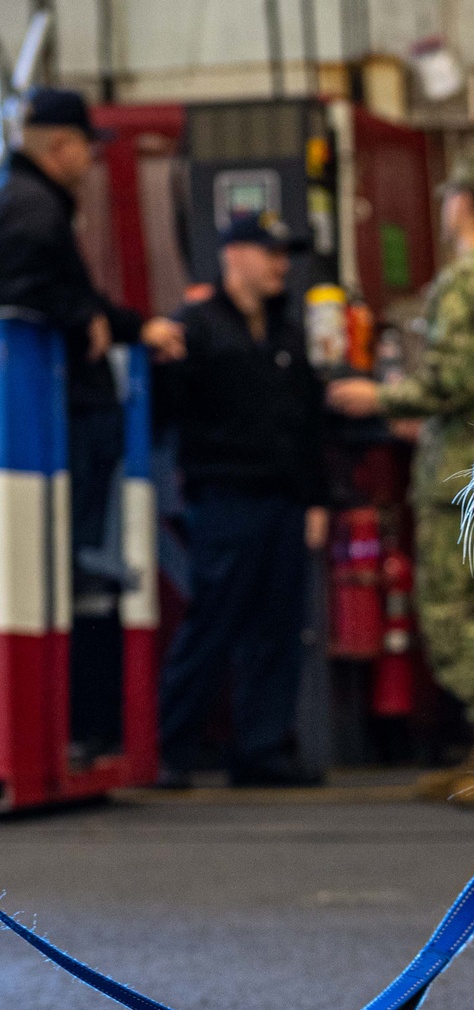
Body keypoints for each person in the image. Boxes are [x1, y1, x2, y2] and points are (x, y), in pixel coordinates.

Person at [328, 156, 474, 800]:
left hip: (459, 474)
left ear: (459, 206)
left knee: (456, 619)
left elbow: (450, 380)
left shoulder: (464, 283)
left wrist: (378, 398)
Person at [156, 212, 326, 788]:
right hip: (224, 498)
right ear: (234, 255)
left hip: (282, 502)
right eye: (269, 251)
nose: (281, 264)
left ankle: (260, 750)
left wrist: (316, 502)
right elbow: (164, 409)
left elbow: (307, 423)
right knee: (213, 622)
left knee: (277, 628)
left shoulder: (285, 332)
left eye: (285, 253)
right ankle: (170, 748)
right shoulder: (196, 327)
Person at [0, 88, 183, 586]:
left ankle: (83, 548)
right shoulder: (34, 205)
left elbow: (70, 288)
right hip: (52, 408)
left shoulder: (30, 197)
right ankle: (80, 549)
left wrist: (132, 327)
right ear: (60, 145)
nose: (90, 158)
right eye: (85, 145)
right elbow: (24, 279)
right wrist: (79, 314)